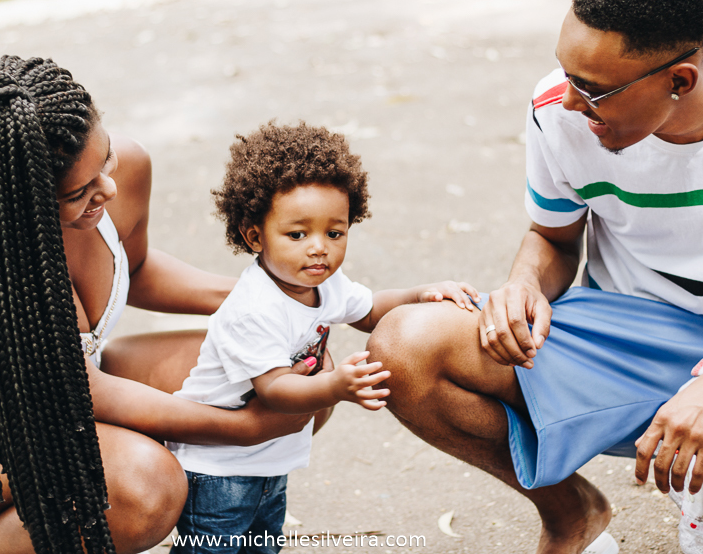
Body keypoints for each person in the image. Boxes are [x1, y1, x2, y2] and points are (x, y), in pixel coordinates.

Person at [365, 0, 703, 553]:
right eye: (567, 73)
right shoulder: (558, 111)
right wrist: (523, 283)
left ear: (680, 80)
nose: (568, 100)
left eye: (592, 89)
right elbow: (553, 236)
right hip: (633, 336)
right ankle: (572, 512)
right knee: (406, 348)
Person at [0, 56, 316, 554]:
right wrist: (245, 430)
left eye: (105, 158)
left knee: (284, 371)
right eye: (79, 192)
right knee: (146, 489)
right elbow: (84, 392)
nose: (107, 188)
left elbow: (138, 269)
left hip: (78, 379)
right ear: (24, 201)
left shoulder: (126, 169)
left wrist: (276, 300)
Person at [166, 122, 480, 553]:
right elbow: (274, 389)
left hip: (267, 458)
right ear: (254, 235)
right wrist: (335, 386)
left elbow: (368, 310)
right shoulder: (253, 309)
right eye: (297, 235)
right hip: (218, 468)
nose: (319, 248)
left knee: (262, 544)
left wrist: (420, 294)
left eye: (334, 233)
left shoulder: (321, 283)